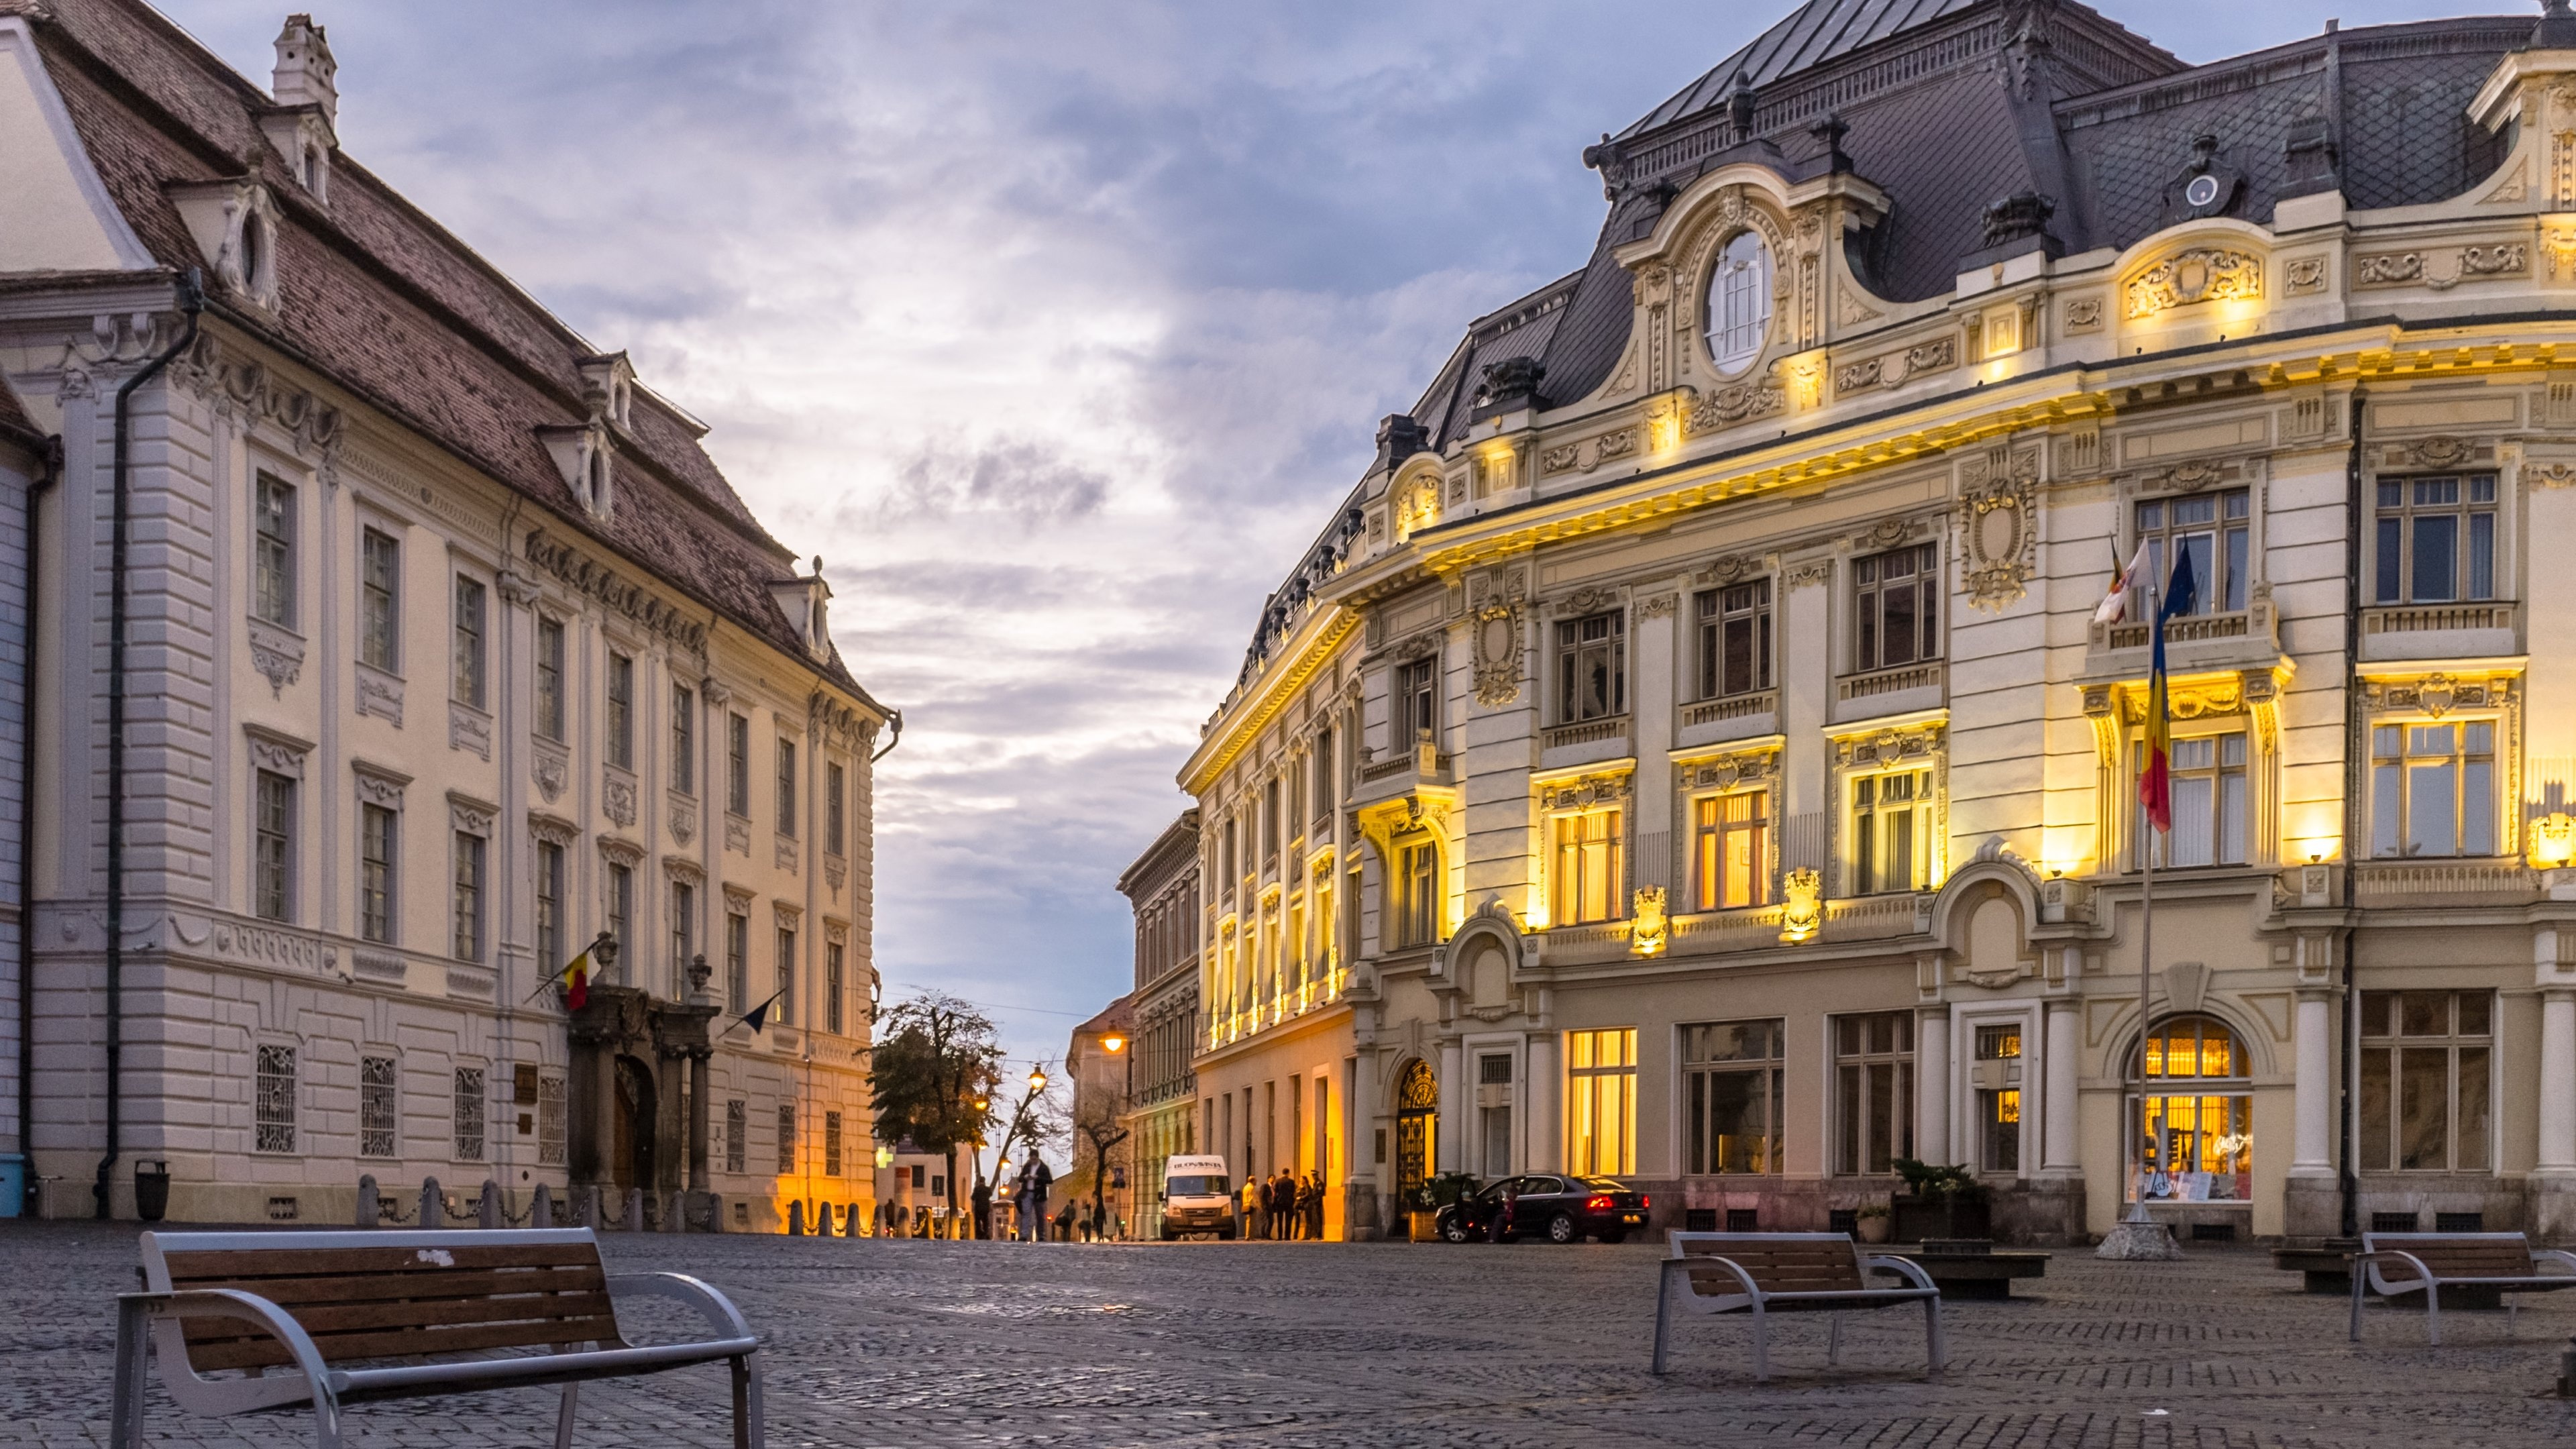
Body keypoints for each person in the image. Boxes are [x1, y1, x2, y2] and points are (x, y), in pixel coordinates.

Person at [1024, 1158, 1053, 1242]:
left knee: (1040, 1215)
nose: (1033, 1161)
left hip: (1039, 1194)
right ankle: (1025, 1234)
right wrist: (1025, 1177)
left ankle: (1040, 1235)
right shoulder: (1027, 1167)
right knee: (1026, 1215)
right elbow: (1021, 1178)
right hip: (1028, 1194)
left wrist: (1038, 1178)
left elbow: (1050, 1180)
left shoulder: (1043, 1168)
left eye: (1034, 1159)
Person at [971, 1176, 993, 1240]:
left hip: (978, 1208)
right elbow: (990, 1194)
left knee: (977, 1221)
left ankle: (979, 1234)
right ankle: (985, 1233)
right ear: (984, 1181)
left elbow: (973, 1198)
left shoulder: (977, 1189)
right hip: (986, 1208)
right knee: (985, 1221)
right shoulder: (987, 1189)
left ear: (979, 1181)